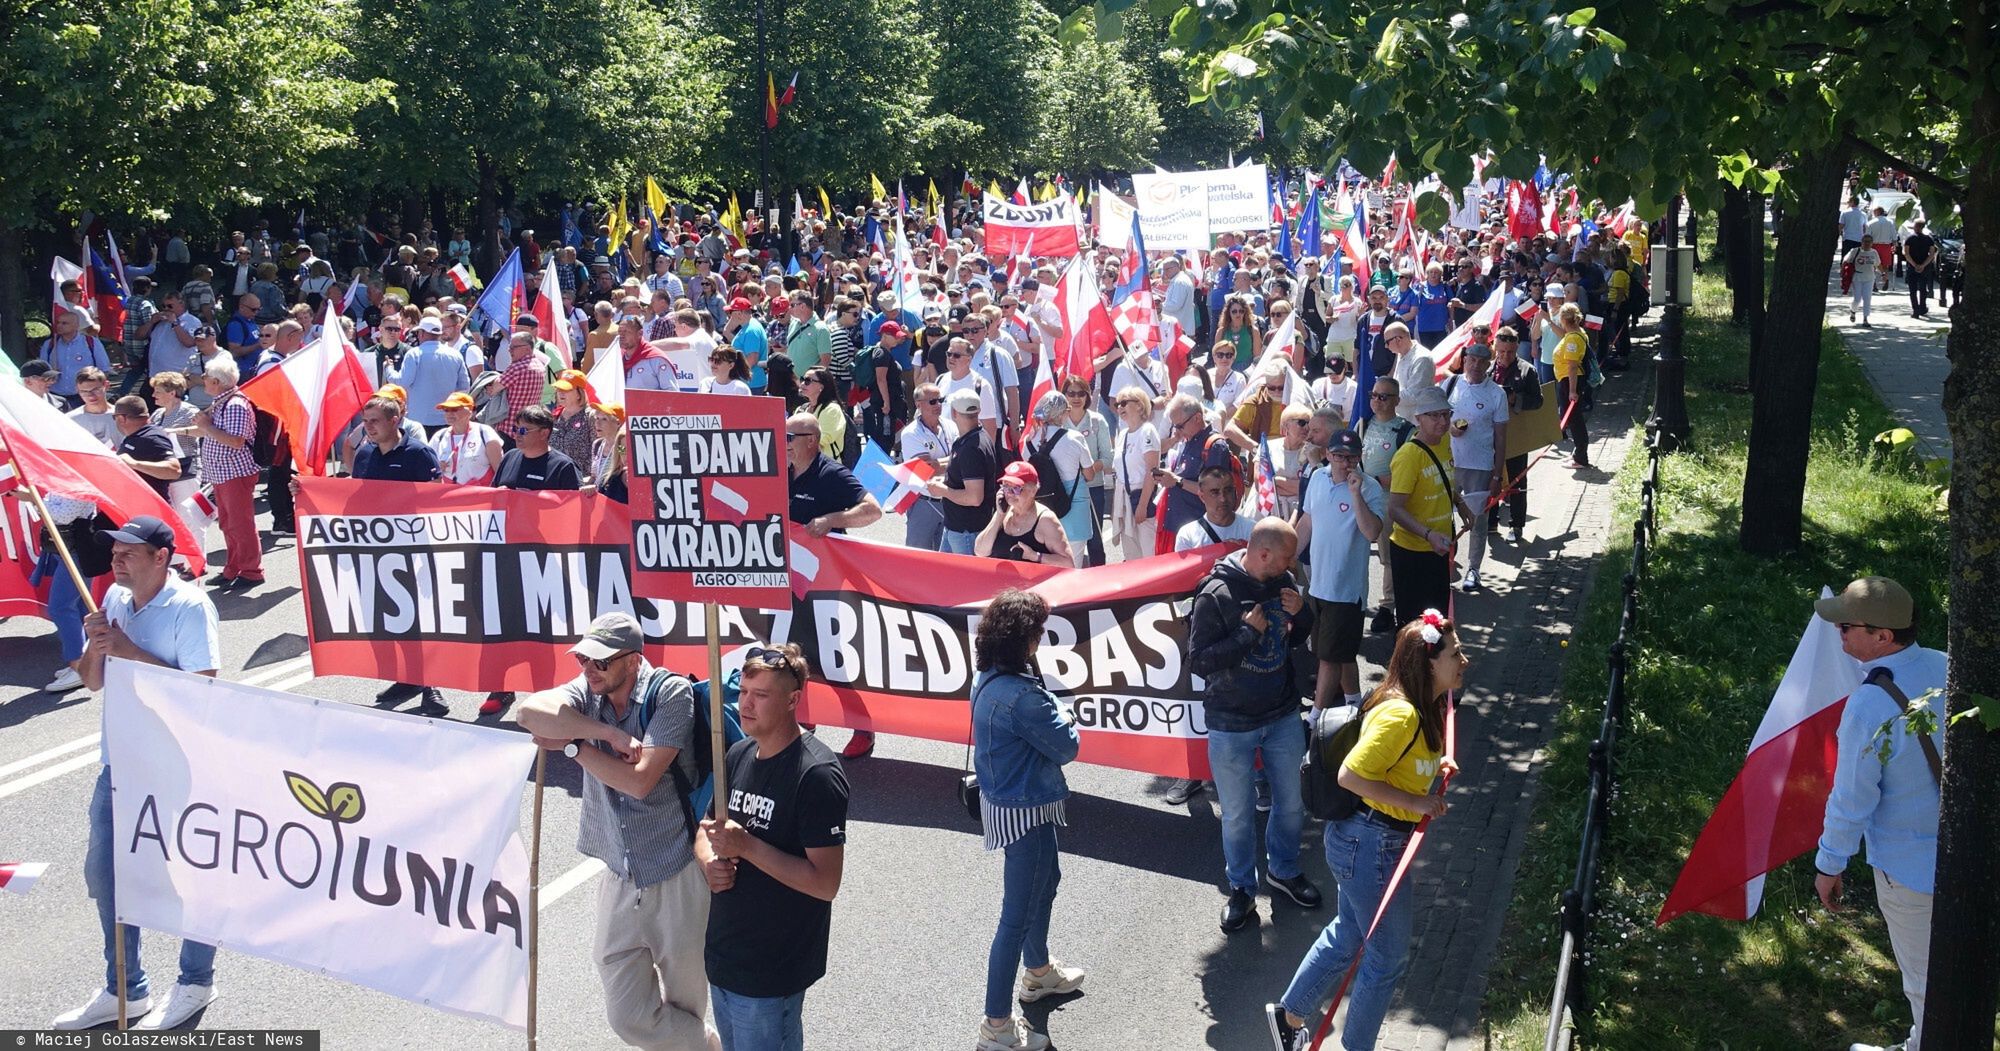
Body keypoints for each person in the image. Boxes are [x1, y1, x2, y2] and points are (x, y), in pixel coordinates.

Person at [515, 614, 716, 1051]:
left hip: (676, 871)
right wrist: (604, 733)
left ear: (634, 661)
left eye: (602, 661)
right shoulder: (589, 693)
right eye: (584, 659)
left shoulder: (671, 693)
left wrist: (574, 746)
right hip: (620, 873)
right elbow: (527, 713)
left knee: (685, 1005)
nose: (590, 668)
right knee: (627, 1015)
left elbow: (639, 782)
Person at [1266, 612, 1466, 1051]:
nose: (1463, 661)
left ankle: (1289, 1016)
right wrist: (1417, 802)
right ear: (1429, 663)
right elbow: (1352, 775)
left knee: (1349, 934)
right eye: (1455, 654)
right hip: (1371, 847)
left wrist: (1433, 766)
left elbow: (1395, 763)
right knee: (1386, 959)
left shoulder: (1419, 707)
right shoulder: (1402, 715)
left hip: (1366, 843)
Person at [53, 516, 222, 1032]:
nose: (116, 559)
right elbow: (92, 682)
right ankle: (125, 988)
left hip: (176, 765)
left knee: (189, 879)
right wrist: (94, 645)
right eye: (114, 551)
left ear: (160, 557)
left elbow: (202, 693)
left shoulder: (191, 607)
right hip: (120, 763)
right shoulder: (113, 600)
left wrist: (129, 651)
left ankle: (196, 981)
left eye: (128, 551)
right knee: (108, 878)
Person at [1811, 577, 1948, 1051]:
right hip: (1975, 854)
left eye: (1846, 627)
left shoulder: (1869, 705)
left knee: (1925, 982)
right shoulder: (1949, 666)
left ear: (1883, 636)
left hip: (1911, 872)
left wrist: (1830, 864)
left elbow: (1852, 799)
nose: (1839, 634)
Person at [695, 644, 850, 1051]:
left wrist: (747, 846)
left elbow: (826, 883)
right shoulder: (738, 752)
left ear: (793, 700)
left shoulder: (817, 775)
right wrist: (709, 861)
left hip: (771, 971)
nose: (745, 704)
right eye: (744, 691)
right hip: (725, 956)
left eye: (760, 695)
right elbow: (705, 829)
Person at [1186, 517, 1321, 933]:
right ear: (1263, 554)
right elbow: (1199, 662)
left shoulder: (1283, 584)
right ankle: (1242, 889)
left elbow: (1293, 639)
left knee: (1291, 803)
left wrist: (1303, 616)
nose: (1292, 566)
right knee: (1238, 814)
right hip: (1231, 722)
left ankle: (1283, 870)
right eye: (1286, 559)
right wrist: (1246, 634)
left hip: (1282, 714)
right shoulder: (1216, 593)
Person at [970, 588, 1084, 1051]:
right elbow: (1067, 746)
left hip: (1008, 804)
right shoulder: (1023, 697)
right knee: (1015, 918)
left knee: (1047, 882)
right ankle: (997, 1025)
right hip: (1029, 811)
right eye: (1038, 632)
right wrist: (1065, 710)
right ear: (1027, 641)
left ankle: (1038, 973)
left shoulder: (990, 679)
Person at [783, 410, 884, 759]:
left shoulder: (832, 474)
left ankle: (863, 726)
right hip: (790, 580)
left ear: (812, 441)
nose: (784, 445)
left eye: (790, 438)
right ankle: (806, 717)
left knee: (833, 656)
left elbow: (873, 510)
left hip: (826, 583)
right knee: (793, 653)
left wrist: (831, 519)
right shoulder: (783, 472)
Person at [1296, 431, 1387, 710]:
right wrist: (1288, 558)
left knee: (1329, 659)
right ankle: (1354, 705)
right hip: (1318, 584)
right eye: (1339, 456)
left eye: (1352, 457)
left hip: (1346, 590)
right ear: (1328, 455)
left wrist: (1355, 494)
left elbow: (1372, 532)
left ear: (1360, 458)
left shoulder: (1370, 488)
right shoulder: (1317, 478)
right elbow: (1307, 522)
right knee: (1342, 654)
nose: (1345, 463)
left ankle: (1316, 717)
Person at [1384, 387, 1472, 629]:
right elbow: (1395, 509)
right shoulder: (1408, 456)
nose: (1442, 421)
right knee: (1413, 626)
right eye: (1434, 415)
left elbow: (1444, 481)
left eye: (1446, 414)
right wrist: (1427, 534)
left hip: (1439, 548)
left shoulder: (1445, 442)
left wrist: (1461, 503)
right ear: (1418, 419)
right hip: (1412, 551)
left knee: (1437, 621)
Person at [190, 355, 262, 591]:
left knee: (240, 524)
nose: (203, 379)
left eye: (206, 376)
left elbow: (236, 441)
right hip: (223, 474)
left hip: (235, 473)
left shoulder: (235, 405)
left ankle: (251, 571)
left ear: (217, 381)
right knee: (229, 524)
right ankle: (234, 567)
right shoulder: (223, 402)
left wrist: (206, 426)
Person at [1443, 340, 1509, 591]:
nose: (1476, 365)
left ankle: (1474, 569)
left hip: (1480, 466)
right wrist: (1449, 428)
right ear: (1464, 360)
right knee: (1442, 516)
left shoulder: (1496, 394)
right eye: (1472, 360)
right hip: (1449, 463)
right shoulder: (1450, 384)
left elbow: (1501, 438)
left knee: (1478, 520)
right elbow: (1434, 420)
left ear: (1489, 364)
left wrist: (1497, 475)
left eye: (1482, 362)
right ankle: (1446, 563)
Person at [1153, 393, 1239, 551]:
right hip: (1176, 526)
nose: (1177, 431)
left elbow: (1215, 492)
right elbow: (1183, 474)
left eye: (1180, 426)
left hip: (1199, 535)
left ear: (1197, 418)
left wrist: (1177, 481)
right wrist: (1168, 476)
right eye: (1174, 426)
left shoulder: (1215, 446)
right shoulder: (1188, 439)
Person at [1022, 391, 1096, 568]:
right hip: (1073, 510)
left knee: (1045, 566)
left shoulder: (1029, 442)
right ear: (1062, 413)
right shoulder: (1075, 438)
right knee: (1073, 566)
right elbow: (1090, 475)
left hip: (1041, 513)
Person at [1490, 328, 1545, 543]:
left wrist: (1516, 399)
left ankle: (1516, 524)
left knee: (1517, 480)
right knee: (1492, 478)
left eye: (1510, 352)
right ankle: (1491, 521)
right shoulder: (1487, 370)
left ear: (1516, 349)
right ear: (1495, 348)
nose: (1505, 356)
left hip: (1517, 435)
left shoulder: (1527, 371)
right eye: (1501, 351)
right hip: (1490, 436)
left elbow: (1538, 401)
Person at [929, 389, 999, 553]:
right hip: (957, 527)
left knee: (964, 571)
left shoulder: (971, 448)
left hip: (966, 531)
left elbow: (974, 498)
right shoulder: (976, 437)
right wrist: (946, 481)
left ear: (954, 412)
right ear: (978, 411)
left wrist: (942, 490)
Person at [897, 382, 958, 551]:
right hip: (923, 503)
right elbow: (927, 470)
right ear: (918, 405)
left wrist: (940, 463)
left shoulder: (951, 425)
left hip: (949, 500)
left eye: (940, 400)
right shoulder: (911, 433)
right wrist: (953, 460)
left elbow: (960, 458)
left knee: (945, 558)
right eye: (932, 401)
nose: (938, 405)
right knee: (918, 556)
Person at [976, 462, 1073, 566]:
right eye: (1006, 487)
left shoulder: (1045, 520)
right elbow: (980, 551)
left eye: (1016, 488)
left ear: (1033, 491)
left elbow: (1068, 563)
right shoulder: (1003, 512)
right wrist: (999, 516)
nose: (1009, 493)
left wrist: (1036, 556)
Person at [1109, 386, 1162, 561]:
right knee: (1131, 554)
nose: (1119, 407)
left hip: (1141, 496)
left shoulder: (1147, 431)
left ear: (1139, 405)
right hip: (1125, 498)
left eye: (1124, 403)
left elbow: (1152, 471)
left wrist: (1142, 505)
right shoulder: (1122, 434)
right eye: (1117, 404)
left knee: (1149, 553)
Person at [390, 317, 472, 429]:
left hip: (418, 420)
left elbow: (402, 382)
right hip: (447, 419)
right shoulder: (455, 355)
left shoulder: (414, 354)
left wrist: (389, 369)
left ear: (422, 333)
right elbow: (464, 387)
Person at [496, 406, 584, 490]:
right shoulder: (509, 457)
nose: (517, 434)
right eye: (515, 429)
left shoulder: (563, 466)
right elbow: (493, 491)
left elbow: (574, 499)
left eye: (523, 430)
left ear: (544, 433)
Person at [1175, 465, 1256, 552]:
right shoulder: (1188, 535)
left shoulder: (1253, 530)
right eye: (1215, 492)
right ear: (1202, 496)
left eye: (1228, 491)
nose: (1223, 498)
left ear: (1235, 493)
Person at [430, 391, 504, 485]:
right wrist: (437, 469)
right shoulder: (439, 436)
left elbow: (500, 471)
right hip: (449, 492)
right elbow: (429, 470)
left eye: (454, 409)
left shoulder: (485, 432)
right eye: (446, 410)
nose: (449, 414)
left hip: (480, 491)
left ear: (470, 411)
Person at [41, 309, 112, 406]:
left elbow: (104, 369)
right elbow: (42, 370)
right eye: (58, 323)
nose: (59, 326)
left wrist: (96, 392)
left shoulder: (90, 342)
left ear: (76, 326)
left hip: (83, 397)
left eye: (64, 323)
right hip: (55, 396)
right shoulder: (50, 344)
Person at [1552, 304, 1592, 468]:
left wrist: (1572, 391)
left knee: (1575, 420)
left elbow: (1573, 366)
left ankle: (1581, 458)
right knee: (1574, 419)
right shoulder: (1577, 333)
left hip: (1570, 381)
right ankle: (1577, 453)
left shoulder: (1573, 338)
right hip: (1567, 381)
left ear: (1563, 319)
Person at [550, 370, 598, 466]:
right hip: (556, 472)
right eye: (559, 389)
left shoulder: (591, 417)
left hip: (581, 473)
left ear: (579, 393)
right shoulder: (555, 416)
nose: (561, 393)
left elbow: (598, 451)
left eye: (566, 389)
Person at [801, 367, 848, 461]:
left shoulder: (832, 409)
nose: (802, 384)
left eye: (808, 381)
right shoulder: (801, 409)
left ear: (821, 387)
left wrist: (796, 437)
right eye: (802, 379)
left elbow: (823, 439)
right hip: (804, 464)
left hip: (826, 465)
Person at [66, 367, 121, 448]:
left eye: (95, 390)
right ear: (77, 390)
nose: (90, 396)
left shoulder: (122, 416)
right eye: (84, 391)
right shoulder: (70, 420)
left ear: (106, 385)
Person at [1902, 218, 1938, 318]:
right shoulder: (1929, 239)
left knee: (1912, 290)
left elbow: (1906, 253)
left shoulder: (1909, 239)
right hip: (1924, 267)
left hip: (1912, 267)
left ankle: (1915, 310)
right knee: (1923, 288)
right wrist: (1923, 265)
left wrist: (1914, 265)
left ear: (1915, 227)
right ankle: (1922, 307)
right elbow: (1932, 254)